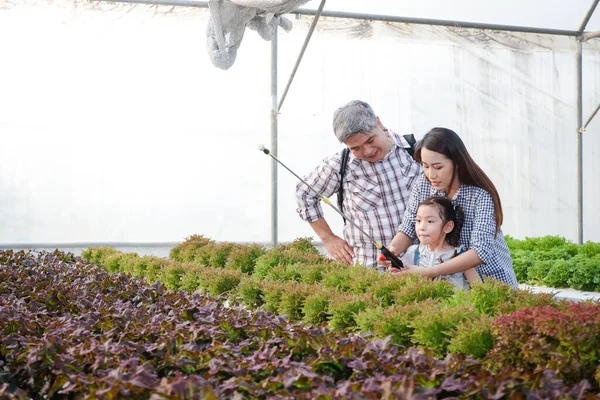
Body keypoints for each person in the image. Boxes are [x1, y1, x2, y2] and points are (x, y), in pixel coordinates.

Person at [384, 127, 518, 288]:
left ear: (457, 163)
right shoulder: (422, 185)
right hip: (449, 287)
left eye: (438, 167)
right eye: (425, 166)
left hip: (489, 282)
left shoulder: (480, 196)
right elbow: (408, 227)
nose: (431, 174)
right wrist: (391, 252)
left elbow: (480, 252)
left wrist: (430, 272)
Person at [295, 100, 422, 269]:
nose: (368, 151)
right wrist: (328, 238)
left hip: (422, 268)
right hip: (371, 271)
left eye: (371, 140)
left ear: (378, 122)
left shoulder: (415, 150)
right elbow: (305, 193)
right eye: (356, 148)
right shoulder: (340, 165)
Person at [400, 196, 480, 289]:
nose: (421, 227)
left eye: (430, 221)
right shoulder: (413, 252)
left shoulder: (460, 257)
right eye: (418, 220)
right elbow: (399, 280)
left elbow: (480, 289)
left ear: (448, 227)